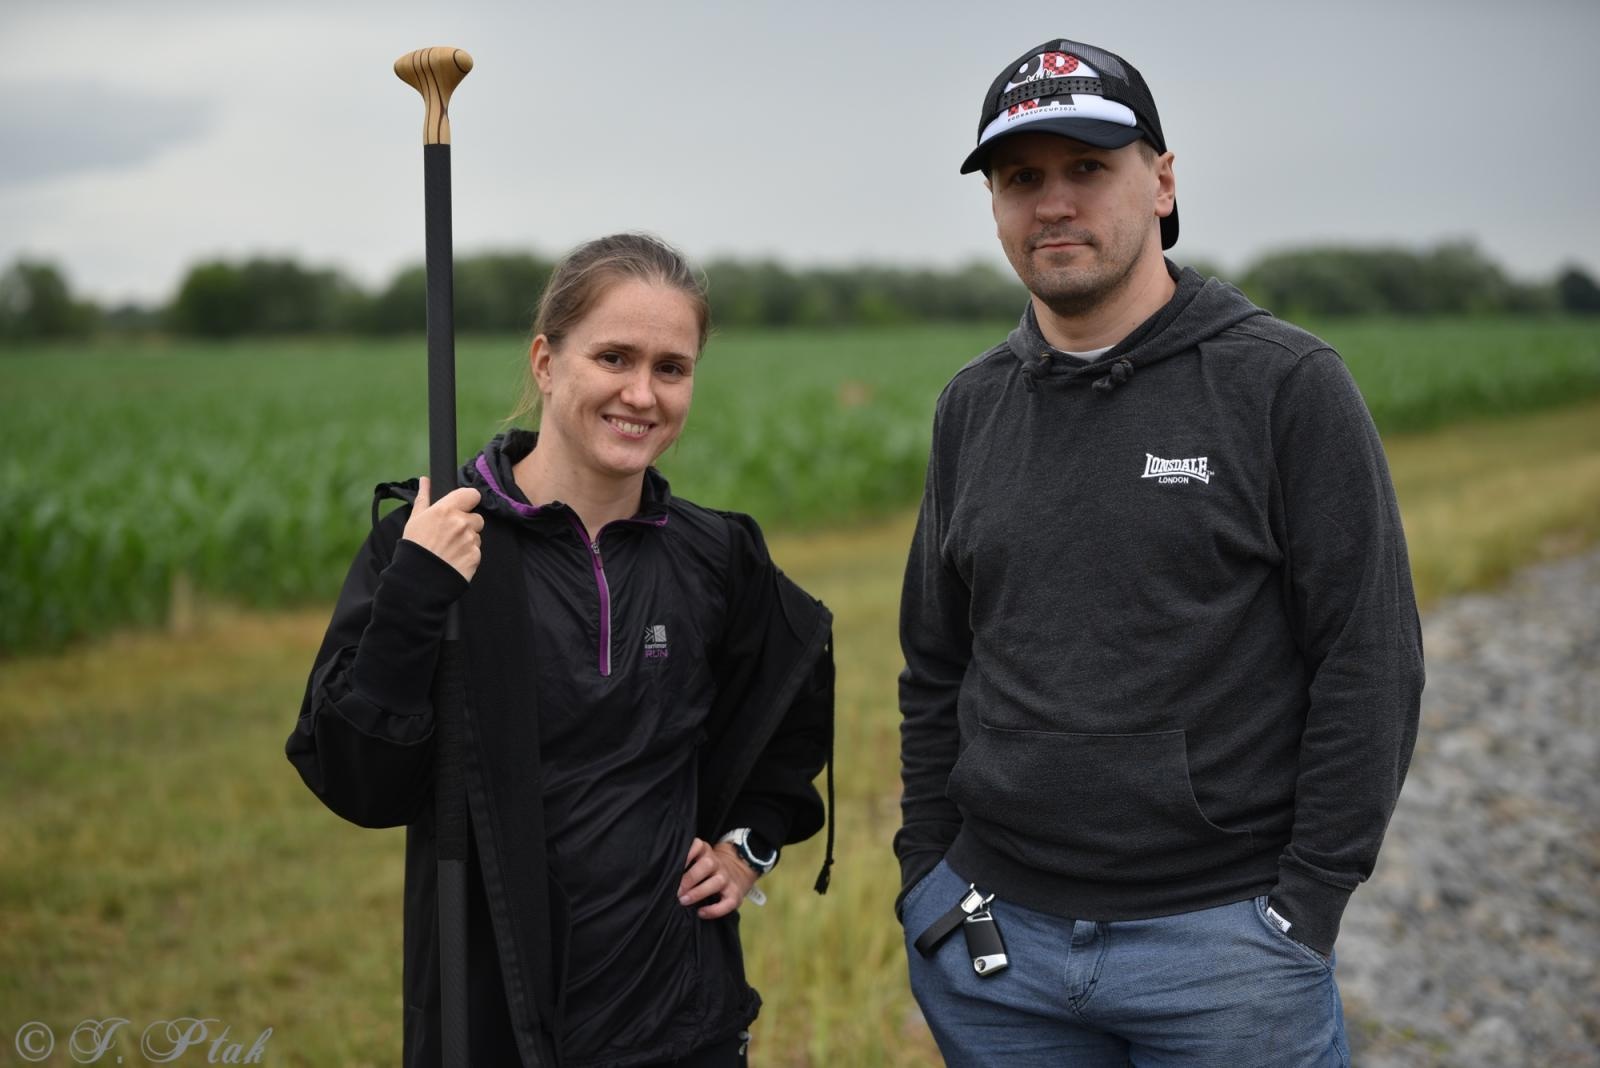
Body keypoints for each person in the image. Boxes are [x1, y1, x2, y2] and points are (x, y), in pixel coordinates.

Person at [894, 37, 1424, 1065]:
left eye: (1087, 169)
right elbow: (934, 668)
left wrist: (1303, 906)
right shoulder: (972, 406)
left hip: (1222, 955)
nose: (1053, 203)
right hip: (1000, 956)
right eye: (1021, 179)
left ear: (1163, 181)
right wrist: (928, 875)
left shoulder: (1284, 385)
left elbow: (1370, 662)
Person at [287, 233, 835, 1068]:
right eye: (613, 356)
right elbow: (358, 779)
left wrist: (751, 842)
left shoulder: (716, 556)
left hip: (680, 1023)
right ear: (546, 362)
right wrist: (415, 594)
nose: (641, 394)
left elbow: (794, 704)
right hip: (494, 1023)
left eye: (671, 367)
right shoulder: (433, 544)